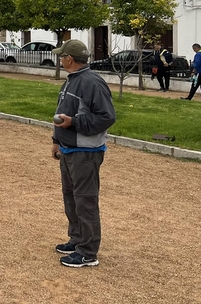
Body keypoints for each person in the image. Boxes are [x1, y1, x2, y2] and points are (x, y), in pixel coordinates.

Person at [51, 39, 116, 268]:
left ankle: (88, 252)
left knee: (85, 201)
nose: (60, 59)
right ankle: (77, 239)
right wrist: (56, 140)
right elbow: (62, 113)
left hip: (85, 153)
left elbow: (106, 117)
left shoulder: (92, 83)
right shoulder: (72, 81)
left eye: (62, 56)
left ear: (70, 59)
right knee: (71, 198)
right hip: (69, 149)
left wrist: (74, 123)